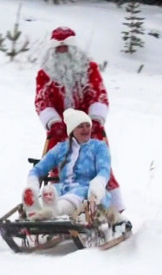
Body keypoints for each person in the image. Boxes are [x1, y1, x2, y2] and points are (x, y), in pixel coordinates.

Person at [33, 26, 124, 210]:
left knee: (99, 161)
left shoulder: (89, 69)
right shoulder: (45, 74)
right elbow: (41, 100)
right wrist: (53, 121)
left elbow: (98, 95)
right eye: (58, 49)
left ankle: (111, 207)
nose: (62, 52)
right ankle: (59, 202)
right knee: (59, 163)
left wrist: (96, 119)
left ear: (74, 49)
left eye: (65, 48)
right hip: (60, 130)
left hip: (88, 128)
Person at [22, 108, 123, 224]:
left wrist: (97, 185)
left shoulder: (98, 147)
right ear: (72, 130)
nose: (85, 129)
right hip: (64, 187)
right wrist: (33, 186)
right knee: (52, 190)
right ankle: (36, 208)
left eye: (87, 125)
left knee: (74, 195)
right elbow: (37, 169)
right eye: (80, 126)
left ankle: (54, 210)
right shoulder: (61, 149)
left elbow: (104, 171)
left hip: (88, 190)